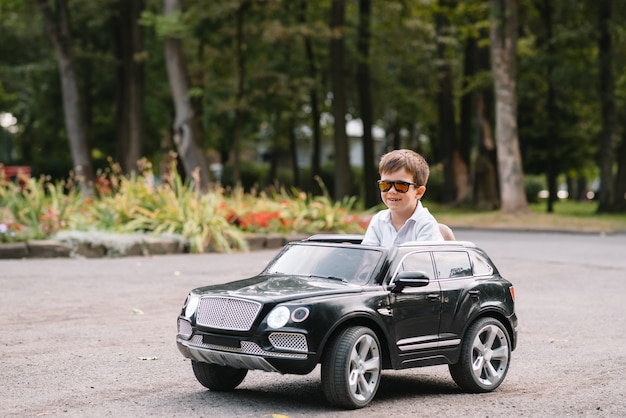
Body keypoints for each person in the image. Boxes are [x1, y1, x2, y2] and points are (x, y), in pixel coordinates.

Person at [362, 149, 444, 246]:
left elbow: (424, 260)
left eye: (401, 185)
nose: (392, 191)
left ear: (419, 192)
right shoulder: (378, 220)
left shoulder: (426, 225)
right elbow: (370, 257)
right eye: (385, 184)